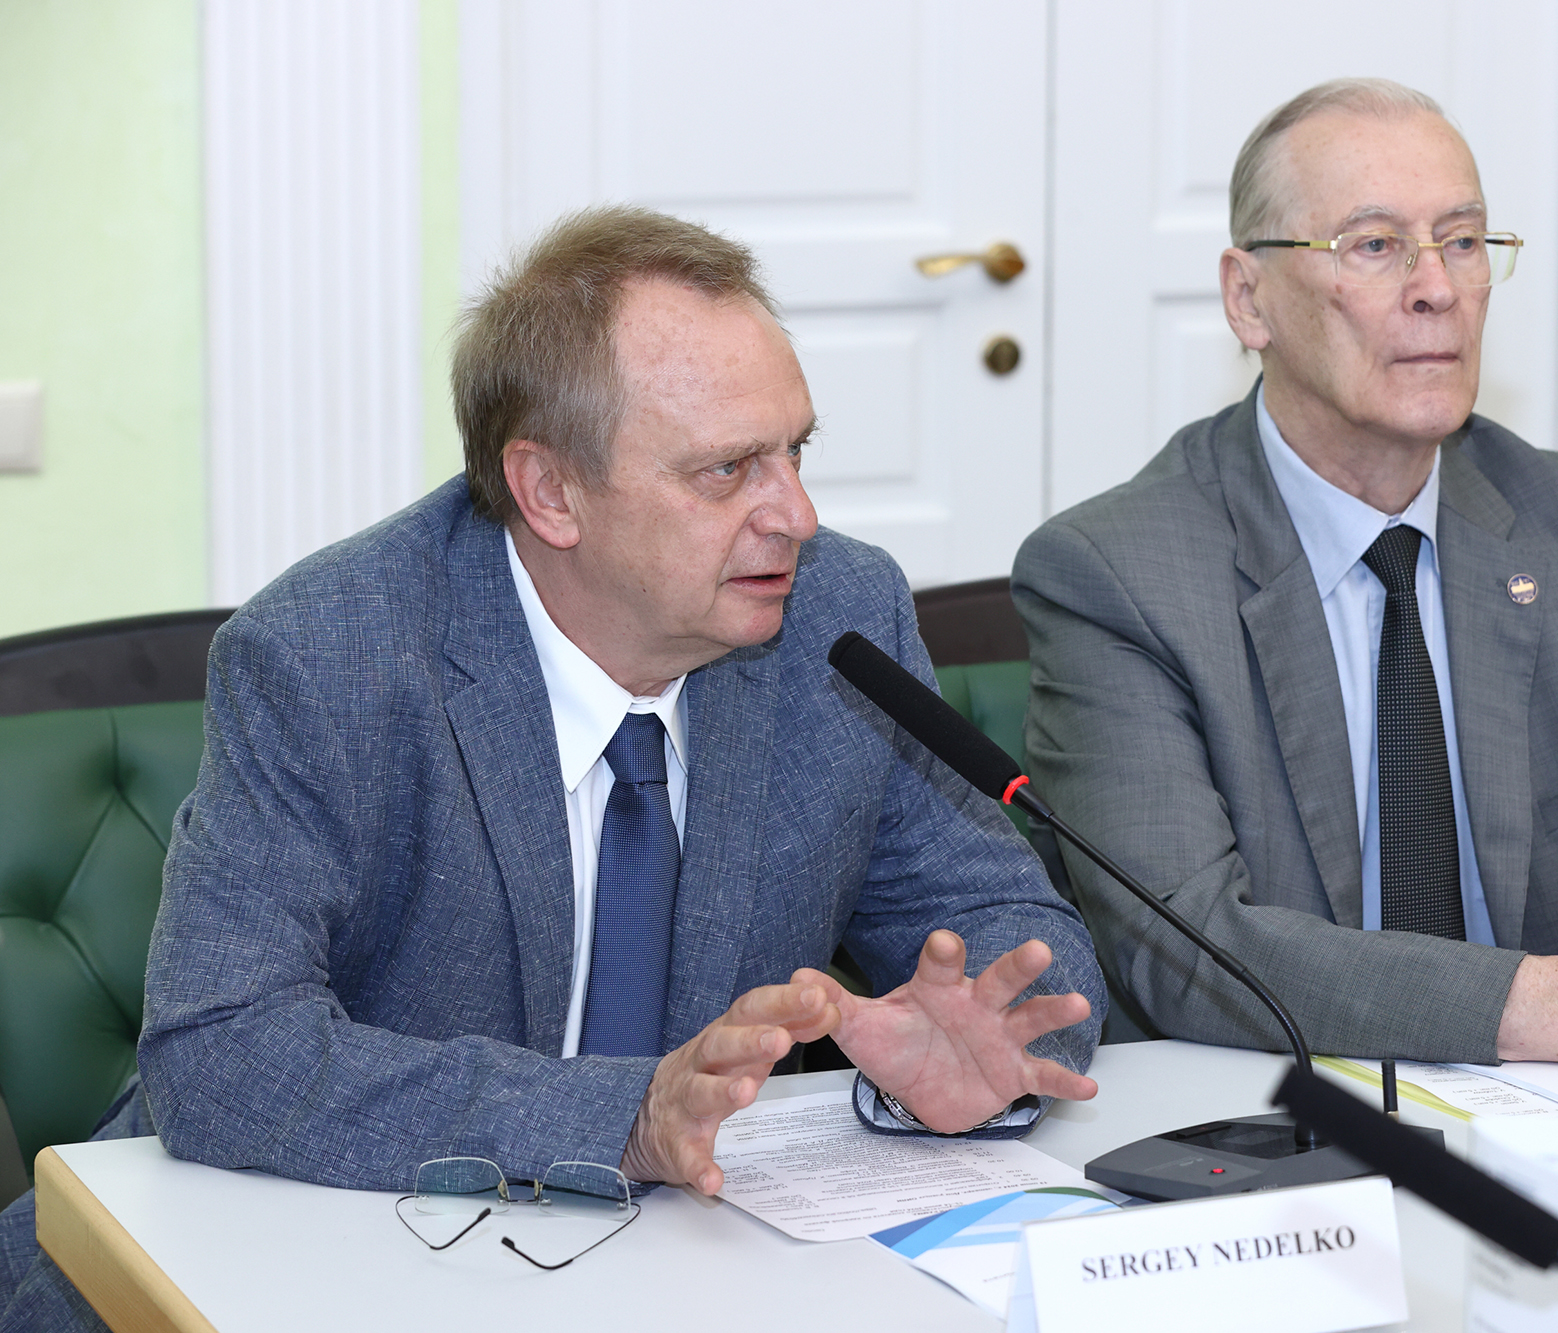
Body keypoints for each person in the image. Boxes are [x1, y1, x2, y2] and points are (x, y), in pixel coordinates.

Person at [0, 207, 1103, 1328]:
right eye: (727, 469)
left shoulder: (838, 617)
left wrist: (976, 1052)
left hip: (673, 1278)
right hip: (276, 1259)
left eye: (795, 452)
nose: (796, 516)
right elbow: (222, 1052)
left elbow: (1014, 929)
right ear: (550, 493)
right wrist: (622, 1119)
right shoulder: (328, 655)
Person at [1012, 78, 1558, 1068]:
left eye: (1462, 242)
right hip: (1276, 1111)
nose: (1435, 287)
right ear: (1248, 299)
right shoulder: (1116, 574)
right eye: (1374, 245)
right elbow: (1184, 946)